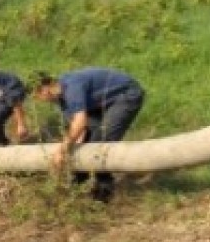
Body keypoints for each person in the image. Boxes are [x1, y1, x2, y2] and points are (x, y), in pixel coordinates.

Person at [34, 67, 145, 202]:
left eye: (38, 96)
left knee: (101, 142)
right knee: (86, 143)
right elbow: (80, 127)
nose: (40, 100)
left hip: (125, 94)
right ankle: (78, 185)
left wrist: (61, 151)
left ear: (45, 88)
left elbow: (80, 123)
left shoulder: (72, 88)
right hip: (101, 102)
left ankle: (103, 192)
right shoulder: (61, 99)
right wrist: (74, 146)